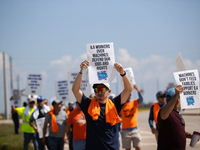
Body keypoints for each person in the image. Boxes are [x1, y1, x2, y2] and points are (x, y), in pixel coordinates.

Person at [72, 60, 133, 150]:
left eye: (102, 89)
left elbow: (128, 89)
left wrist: (122, 73)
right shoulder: (88, 104)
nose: (99, 91)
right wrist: (81, 71)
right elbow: (75, 90)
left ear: (109, 91)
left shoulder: (114, 104)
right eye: (97, 89)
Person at [157, 85, 193, 150]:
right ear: (178, 100)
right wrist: (176, 95)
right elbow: (164, 113)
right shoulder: (164, 111)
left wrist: (189, 135)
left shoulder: (176, 113)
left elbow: (175, 131)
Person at [120, 84, 143, 150]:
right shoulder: (122, 105)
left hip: (135, 129)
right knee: (127, 148)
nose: (128, 96)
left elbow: (141, 99)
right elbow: (119, 115)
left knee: (138, 147)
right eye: (127, 94)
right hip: (125, 130)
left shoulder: (134, 102)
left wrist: (138, 90)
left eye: (130, 94)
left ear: (131, 95)